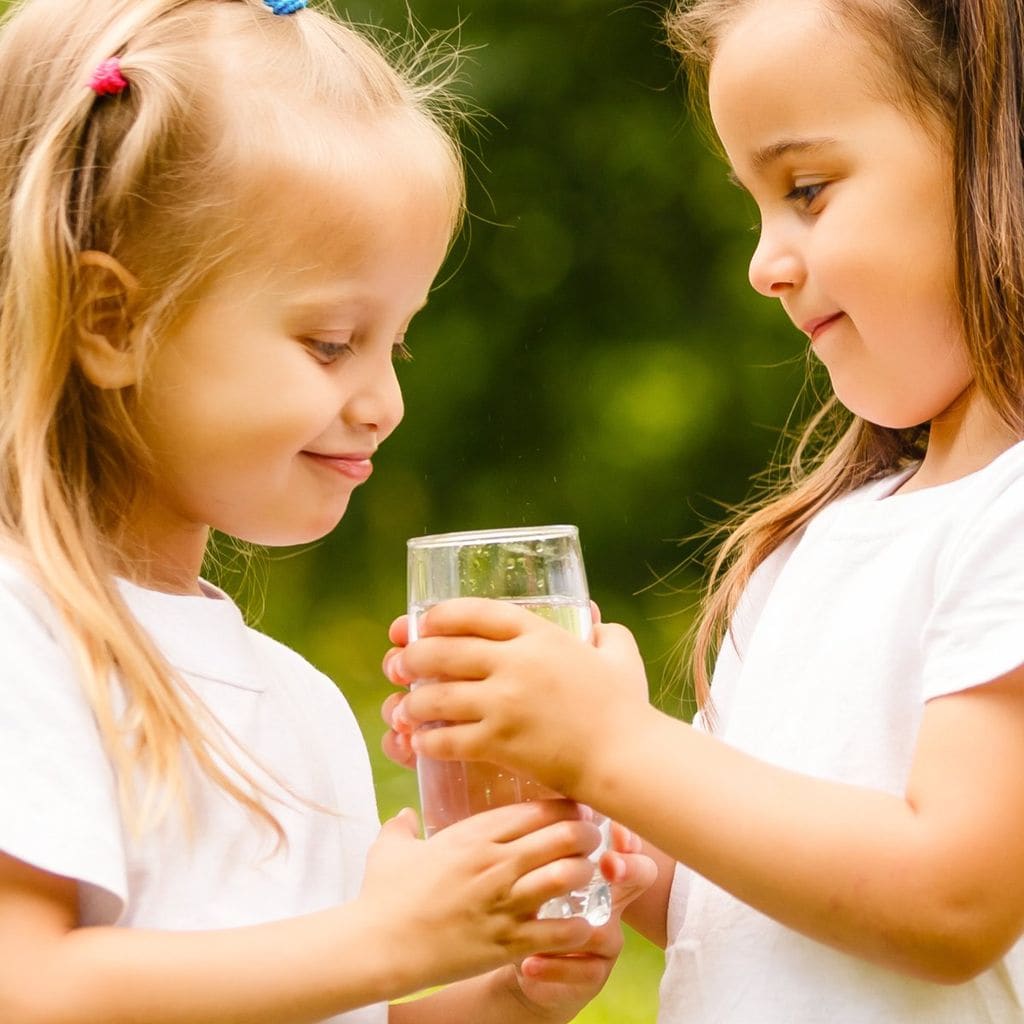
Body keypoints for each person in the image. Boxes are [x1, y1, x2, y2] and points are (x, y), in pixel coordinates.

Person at [0, 1, 657, 1022]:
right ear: (111, 322)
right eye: (331, 340)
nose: (384, 401)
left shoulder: (300, 705)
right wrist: (388, 939)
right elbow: (29, 988)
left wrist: (500, 996)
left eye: (397, 342)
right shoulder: (25, 633)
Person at [383, 0, 1024, 1019]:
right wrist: (616, 836)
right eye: (757, 207)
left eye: (806, 190)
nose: (763, 263)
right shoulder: (812, 543)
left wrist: (620, 747)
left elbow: (951, 898)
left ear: (998, 149)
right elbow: (760, 913)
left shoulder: (1005, 516)